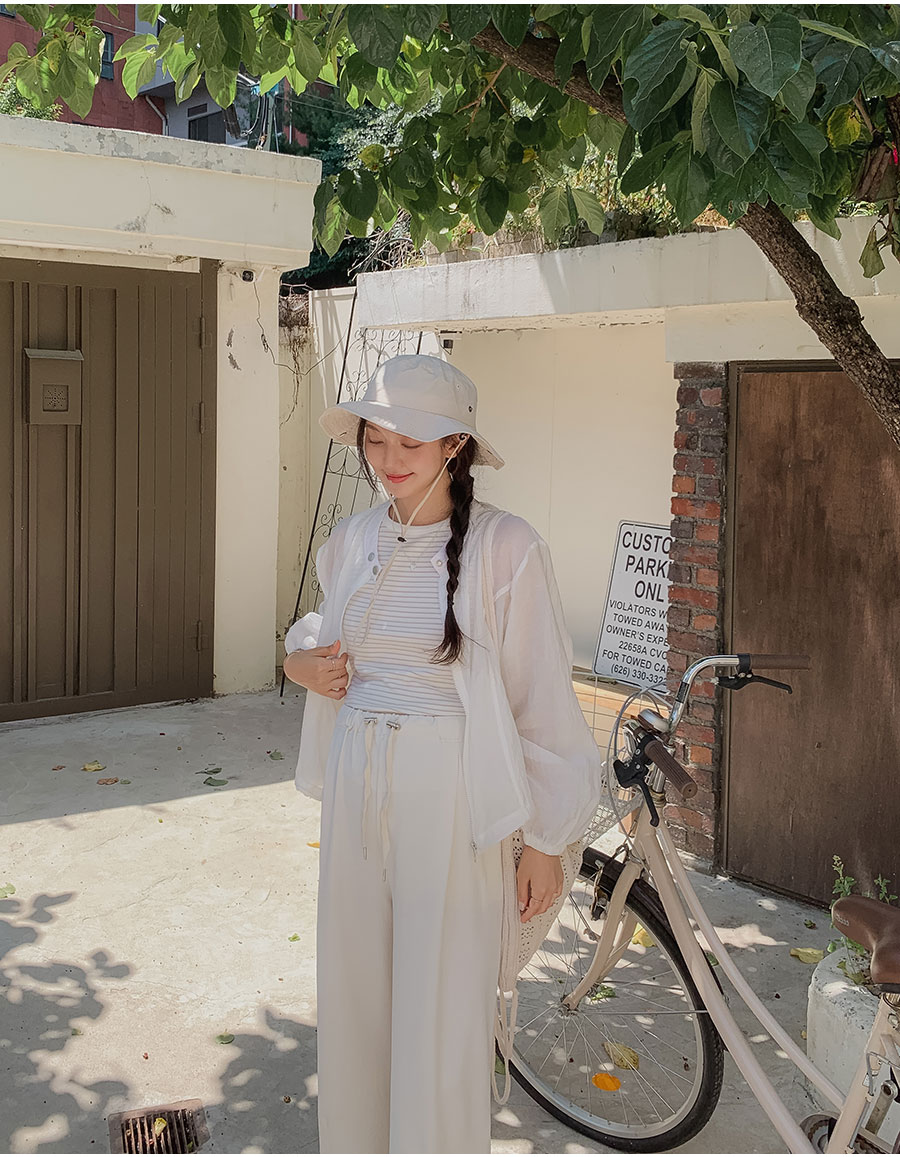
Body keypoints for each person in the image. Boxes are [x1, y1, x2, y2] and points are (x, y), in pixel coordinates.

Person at [283, 354, 603, 1154]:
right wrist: (299, 665)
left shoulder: (507, 547)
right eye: (376, 438)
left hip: (452, 796)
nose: (388, 459)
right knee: (355, 989)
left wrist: (545, 838)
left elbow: (541, 699)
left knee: (441, 998)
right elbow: (322, 635)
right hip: (359, 784)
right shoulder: (351, 539)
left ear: (456, 445)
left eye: (411, 443)